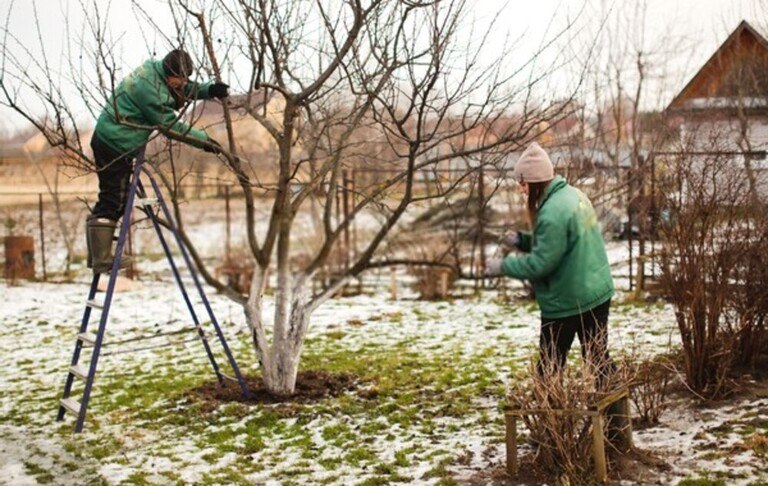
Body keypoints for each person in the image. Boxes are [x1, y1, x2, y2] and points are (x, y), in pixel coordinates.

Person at [87, 48, 229, 273]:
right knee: (113, 199)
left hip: (113, 139)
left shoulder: (155, 72)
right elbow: (172, 127)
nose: (182, 83)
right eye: (180, 79)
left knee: (112, 197)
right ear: (170, 73)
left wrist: (209, 90)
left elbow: (178, 89)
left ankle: (96, 255)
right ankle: (101, 258)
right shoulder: (150, 93)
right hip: (114, 143)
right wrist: (205, 141)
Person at [486, 142, 615, 385]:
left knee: (549, 367)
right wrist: (523, 241)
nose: (521, 190)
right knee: (598, 360)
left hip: (568, 299)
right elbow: (560, 241)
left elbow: (540, 263)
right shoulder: (574, 195)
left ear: (534, 183)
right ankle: (617, 419)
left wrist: (503, 266)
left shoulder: (551, 212)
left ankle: (550, 421)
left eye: (523, 184)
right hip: (595, 291)